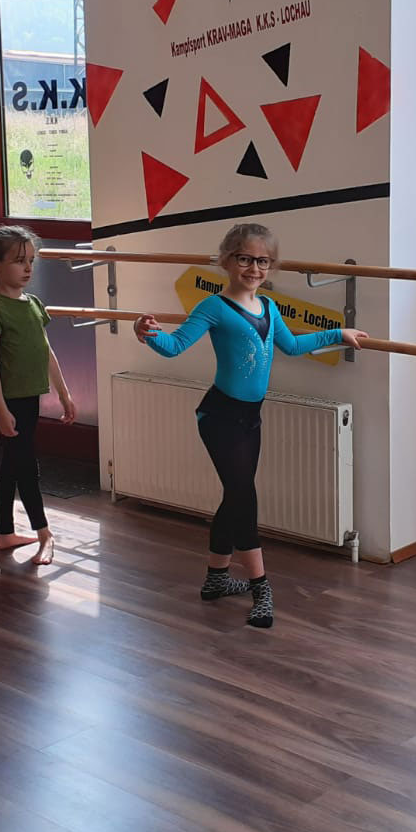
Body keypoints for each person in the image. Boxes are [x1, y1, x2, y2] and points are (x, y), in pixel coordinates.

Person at [134, 222, 366, 628]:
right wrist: (147, 334)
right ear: (227, 260)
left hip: (249, 417)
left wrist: (338, 333)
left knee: (235, 495)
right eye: (245, 259)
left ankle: (217, 579)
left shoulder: (269, 307)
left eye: (263, 261)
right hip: (220, 416)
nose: (254, 268)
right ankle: (261, 587)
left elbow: (292, 345)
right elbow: (174, 346)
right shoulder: (213, 307)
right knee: (244, 497)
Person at [0, 225, 75, 566]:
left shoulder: (32, 304)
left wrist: (64, 394)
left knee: (11, 466)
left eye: (31, 260)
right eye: (19, 261)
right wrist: (1, 410)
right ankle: (45, 534)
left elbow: (46, 352)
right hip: (9, 404)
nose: (28, 268)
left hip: (29, 400)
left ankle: (4, 533)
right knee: (26, 467)